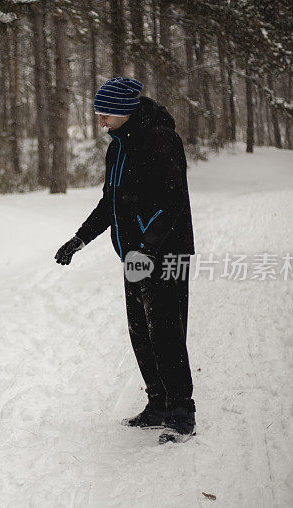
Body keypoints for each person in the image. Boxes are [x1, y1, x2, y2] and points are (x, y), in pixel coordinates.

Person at [54, 77, 196, 444]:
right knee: (141, 330)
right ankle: (158, 404)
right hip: (135, 255)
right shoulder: (118, 146)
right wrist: (79, 238)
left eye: (105, 115)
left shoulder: (160, 140)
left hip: (166, 252)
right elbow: (110, 202)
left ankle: (182, 411)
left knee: (166, 330)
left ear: (123, 112)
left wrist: (149, 245)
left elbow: (173, 200)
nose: (100, 121)